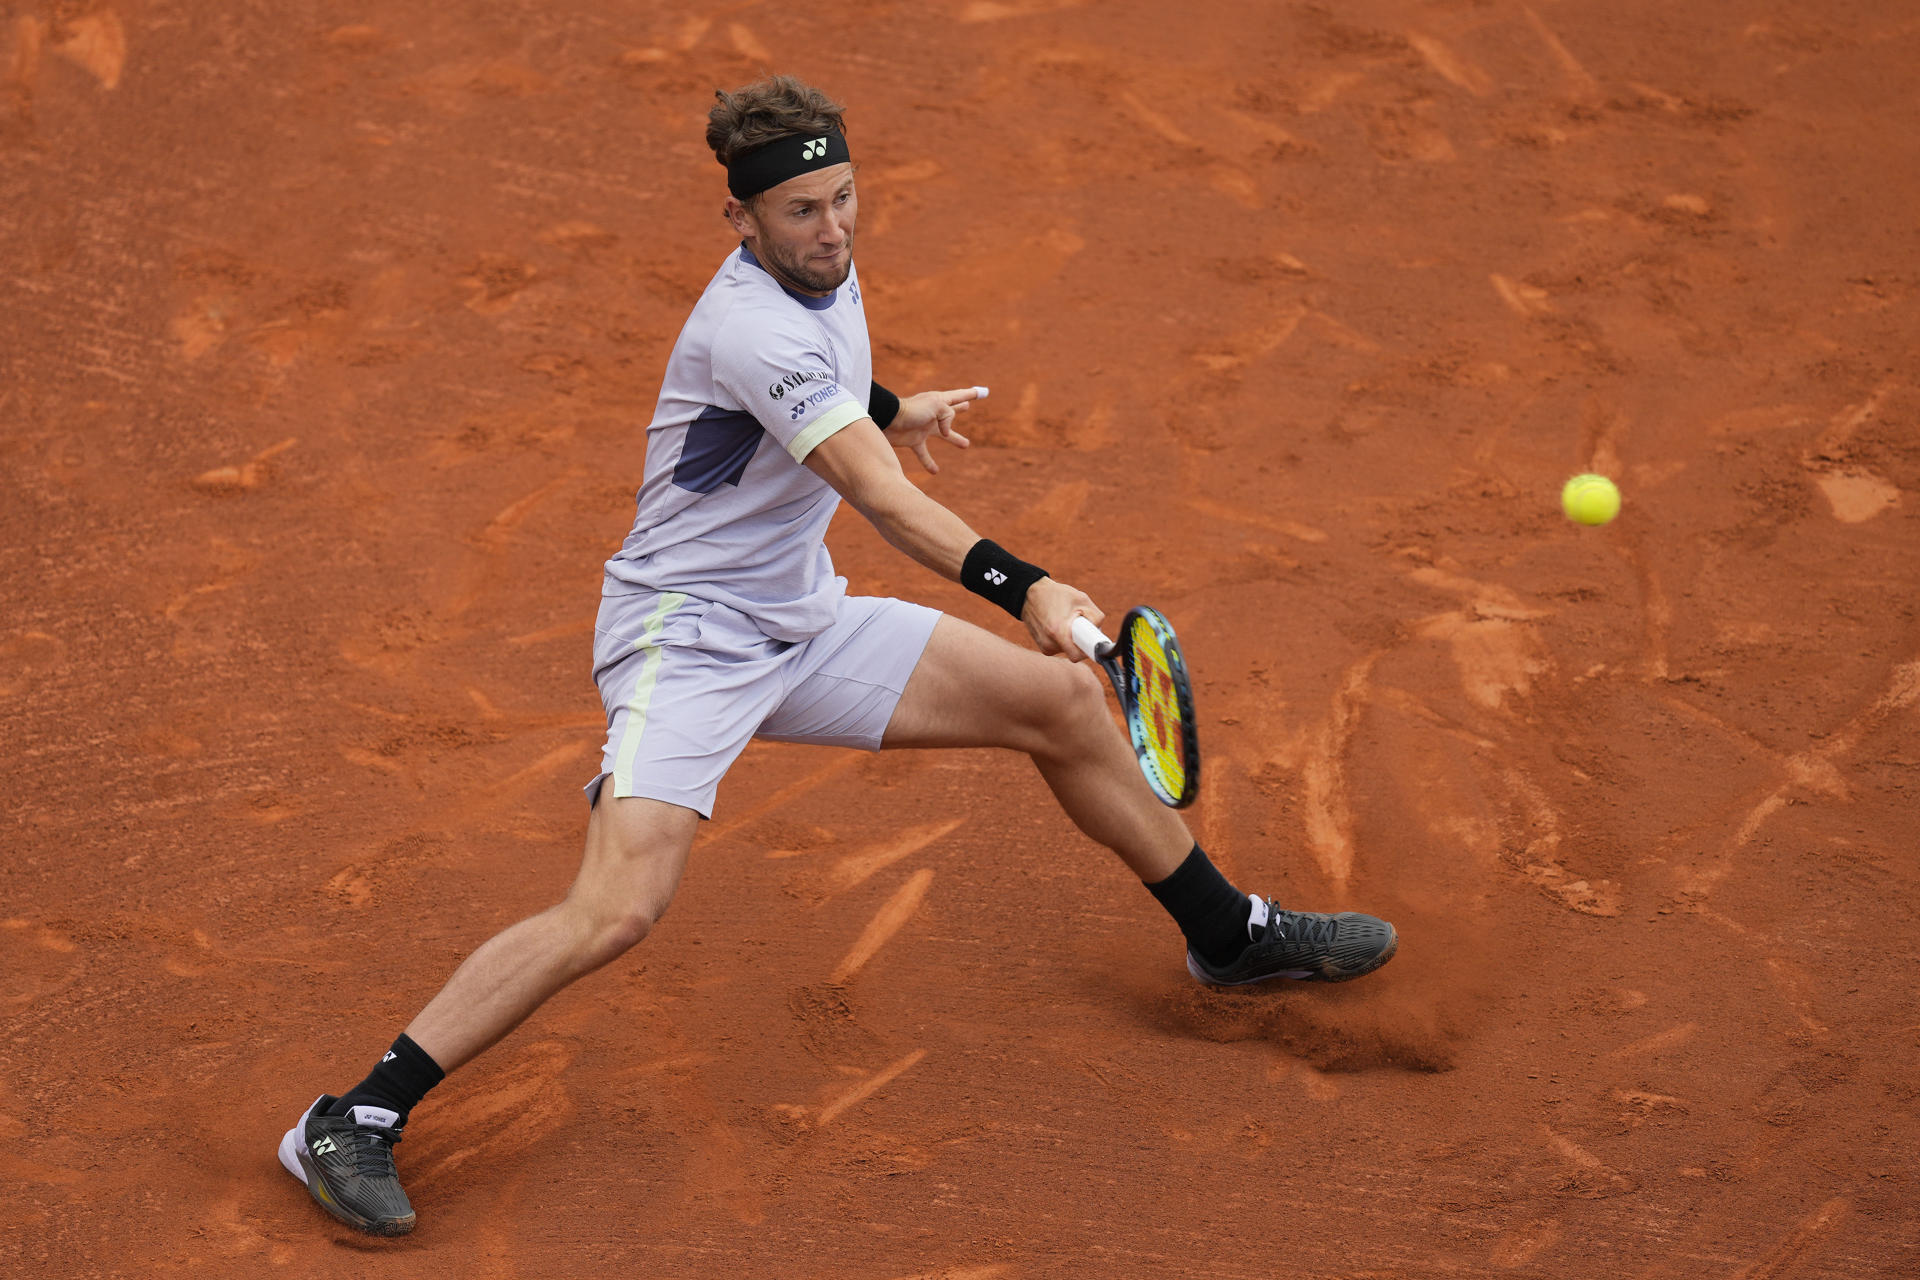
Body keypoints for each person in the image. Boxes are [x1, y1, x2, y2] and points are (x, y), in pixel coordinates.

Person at [277, 74, 1397, 1237]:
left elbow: (833, 380)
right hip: (692, 634)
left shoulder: (817, 271)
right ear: (742, 222)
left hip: (800, 618)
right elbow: (873, 492)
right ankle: (353, 1115)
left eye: (845, 198)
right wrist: (1028, 584)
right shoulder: (748, 322)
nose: (833, 229)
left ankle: (1227, 934)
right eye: (802, 212)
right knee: (616, 909)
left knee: (1064, 705)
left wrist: (893, 403)